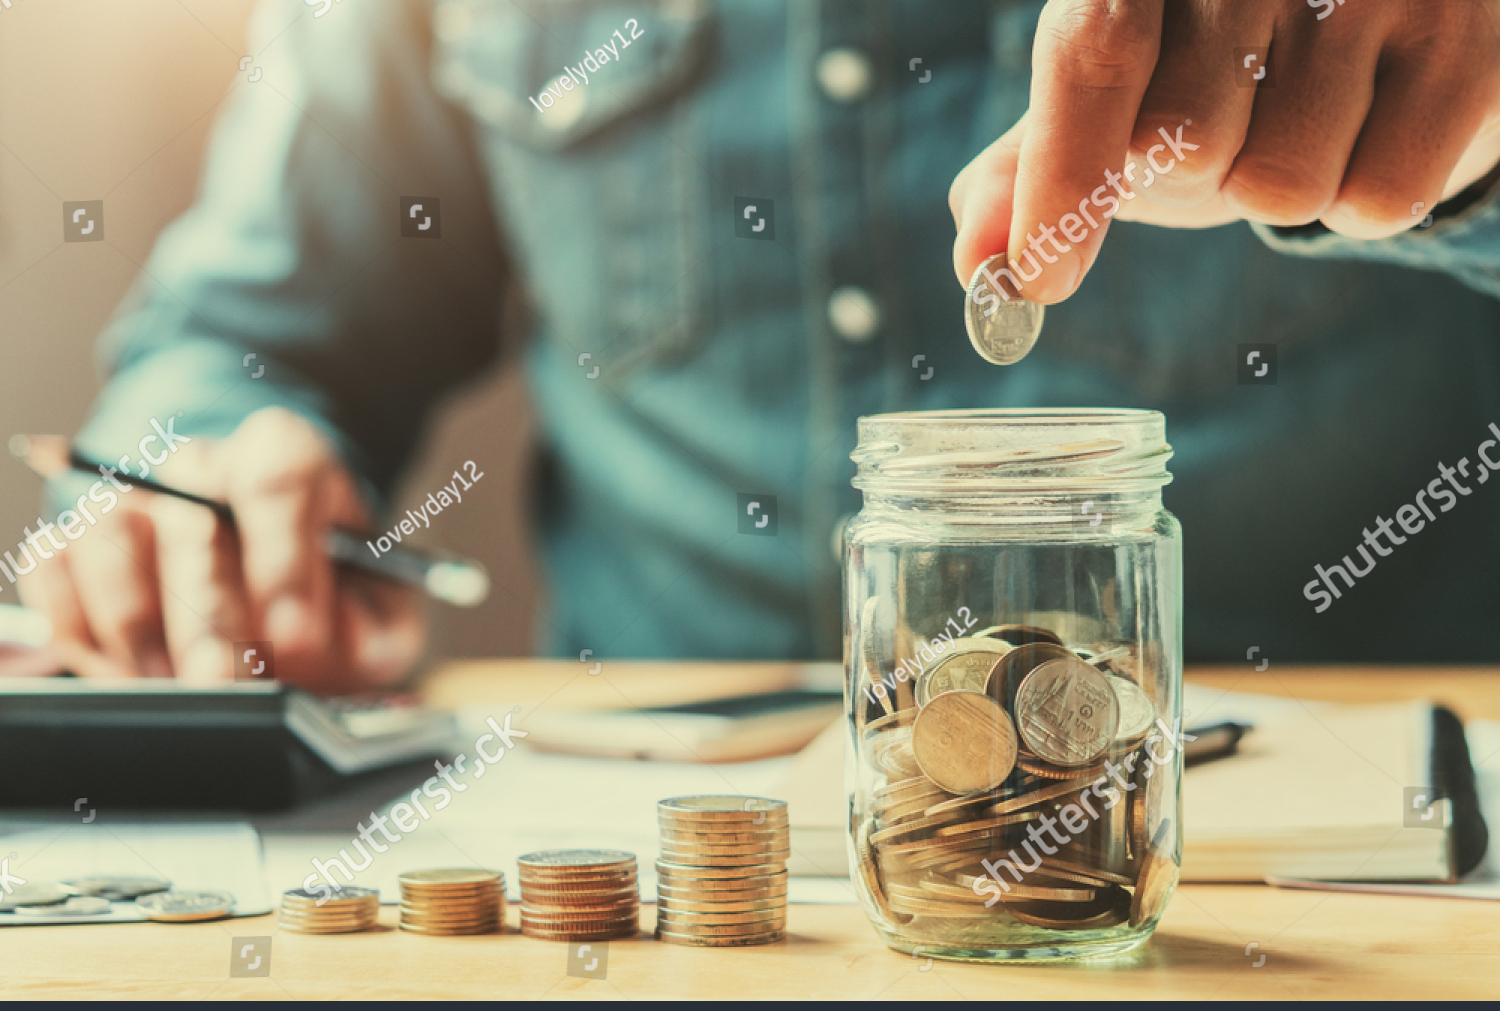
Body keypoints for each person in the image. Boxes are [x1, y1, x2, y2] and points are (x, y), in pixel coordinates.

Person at [20, 0, 1500, 689]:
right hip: (650, 884)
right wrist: (190, 470)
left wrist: (1479, 139)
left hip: (1336, 864)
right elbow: (248, 335)